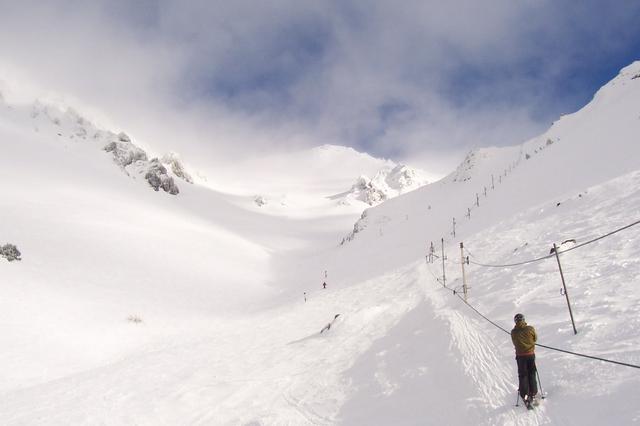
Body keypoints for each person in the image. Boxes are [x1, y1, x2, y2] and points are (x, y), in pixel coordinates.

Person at [511, 313, 538, 408]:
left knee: (523, 375)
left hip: (520, 356)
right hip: (530, 354)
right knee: (532, 373)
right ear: (523, 320)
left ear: (515, 321)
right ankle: (533, 392)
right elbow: (535, 339)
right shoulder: (530, 329)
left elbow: (514, 342)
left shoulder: (513, 332)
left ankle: (524, 394)